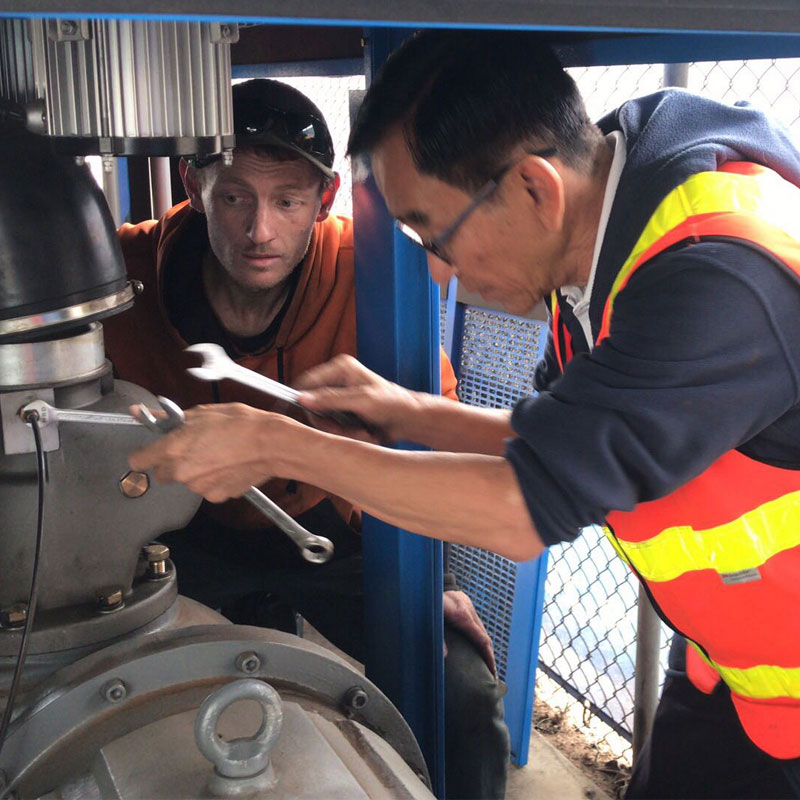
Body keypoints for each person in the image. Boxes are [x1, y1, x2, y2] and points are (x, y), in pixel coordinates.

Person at [128, 31, 800, 799]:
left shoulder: (714, 282)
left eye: (434, 233)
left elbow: (523, 507)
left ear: (534, 189)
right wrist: (407, 413)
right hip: (733, 666)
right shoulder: (622, 209)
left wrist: (281, 444)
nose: (439, 270)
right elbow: (560, 439)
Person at [105, 78, 509, 800]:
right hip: (182, 533)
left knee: (463, 692)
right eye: (234, 197)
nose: (259, 230)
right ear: (197, 188)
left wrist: (431, 573)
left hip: (335, 527)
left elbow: (432, 431)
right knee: (131, 700)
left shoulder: (375, 274)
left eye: (287, 200)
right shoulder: (122, 274)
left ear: (323, 202)